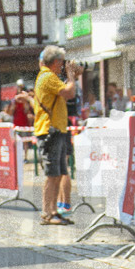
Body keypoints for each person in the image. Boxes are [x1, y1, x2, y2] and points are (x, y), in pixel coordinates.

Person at [34, 44, 82, 225]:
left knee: (59, 173)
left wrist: (73, 75)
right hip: (50, 131)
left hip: (57, 130)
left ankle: (53, 210)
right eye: (62, 62)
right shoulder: (47, 77)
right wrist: (71, 75)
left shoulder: (49, 77)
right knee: (52, 173)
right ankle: (47, 212)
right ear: (55, 61)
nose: (63, 66)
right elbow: (69, 93)